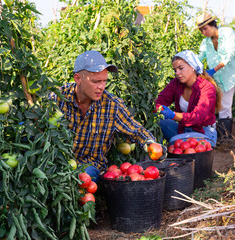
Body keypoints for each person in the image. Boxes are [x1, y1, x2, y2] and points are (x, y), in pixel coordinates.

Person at [49, 50, 166, 181]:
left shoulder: (111, 105)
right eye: (96, 81)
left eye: (104, 81)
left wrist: (150, 144)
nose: (101, 87)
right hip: (58, 160)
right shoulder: (58, 97)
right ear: (78, 78)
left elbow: (135, 129)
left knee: (81, 178)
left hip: (90, 165)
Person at [195, 12, 235, 137]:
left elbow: (229, 55)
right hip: (225, 76)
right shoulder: (205, 43)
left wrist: (212, 70)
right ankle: (225, 135)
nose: (204, 32)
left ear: (213, 25)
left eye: (205, 28)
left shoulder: (227, 33)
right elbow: (199, 57)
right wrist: (191, 66)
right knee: (224, 104)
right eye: (201, 30)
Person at [155, 50, 222, 147]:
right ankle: (159, 155)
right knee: (157, 123)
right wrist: (156, 108)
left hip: (204, 130)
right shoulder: (175, 84)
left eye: (180, 68)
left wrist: (173, 115)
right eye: (175, 70)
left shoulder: (206, 87)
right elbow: (160, 100)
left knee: (195, 153)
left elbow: (198, 117)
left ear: (192, 67)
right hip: (182, 128)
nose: (177, 73)